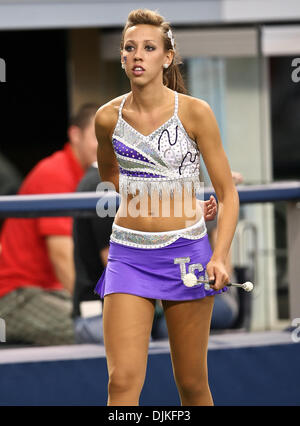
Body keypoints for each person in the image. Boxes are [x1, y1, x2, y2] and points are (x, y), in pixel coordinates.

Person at [94, 9, 239, 406]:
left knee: (191, 385)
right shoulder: (107, 118)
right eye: (129, 48)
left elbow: (227, 194)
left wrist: (221, 256)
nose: (137, 55)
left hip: (186, 255)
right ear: (122, 58)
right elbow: (111, 176)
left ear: (167, 57)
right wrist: (171, 197)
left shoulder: (196, 112)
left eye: (149, 47)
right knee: (121, 383)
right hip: (129, 255)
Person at [73, 162, 218, 343]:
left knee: (216, 312)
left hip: (159, 291)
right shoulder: (100, 183)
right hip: (99, 308)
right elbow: (116, 265)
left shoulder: (155, 178)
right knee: (138, 341)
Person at [0, 103, 99, 346]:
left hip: (52, 293)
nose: (109, 145)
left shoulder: (97, 178)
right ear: (75, 135)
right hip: (16, 297)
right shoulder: (55, 173)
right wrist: (91, 308)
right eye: (99, 136)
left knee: (129, 323)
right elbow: (62, 259)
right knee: (101, 331)